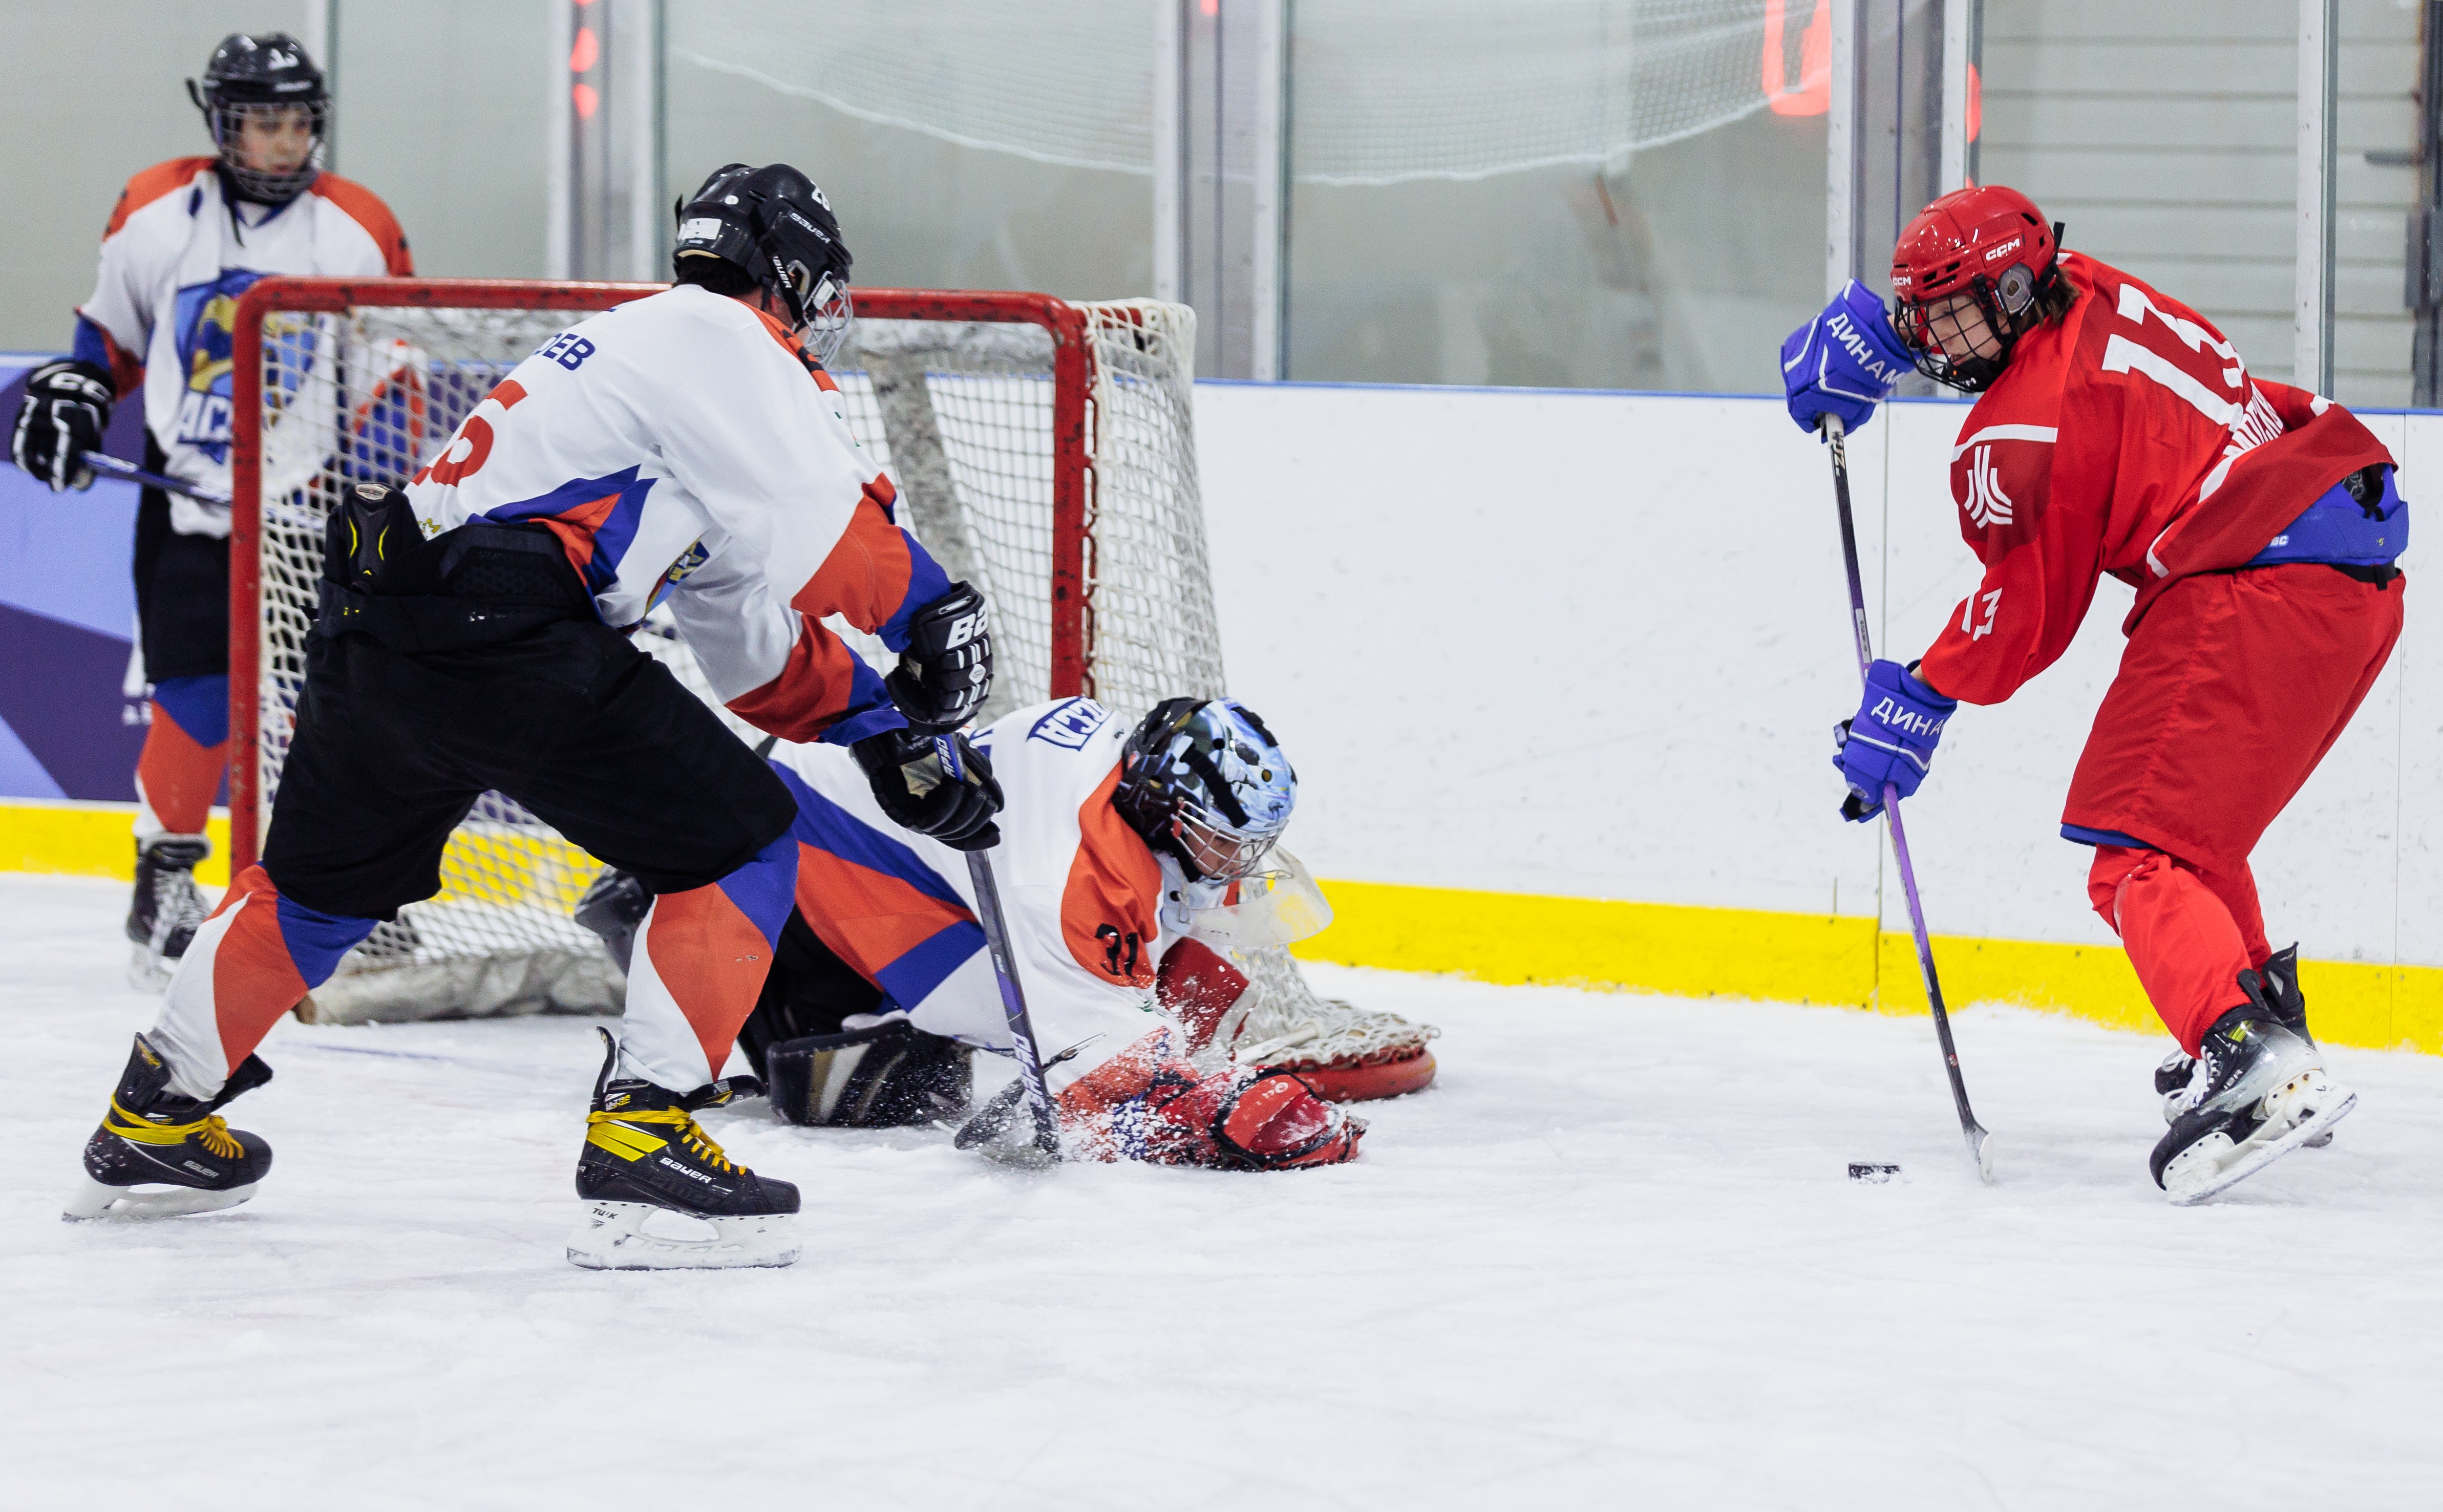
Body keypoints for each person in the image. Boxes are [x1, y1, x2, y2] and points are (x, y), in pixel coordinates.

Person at [61, 163, 1006, 1273]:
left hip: (385, 619)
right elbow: (837, 530)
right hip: (503, 628)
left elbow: (752, 646)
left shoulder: (655, 365)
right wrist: (933, 613)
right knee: (743, 840)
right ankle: (643, 1147)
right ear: (791, 273)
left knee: (316, 896)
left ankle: (149, 1118)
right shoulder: (719, 335)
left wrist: (880, 731)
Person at [1781, 185, 2402, 1205]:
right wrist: (1890, 342)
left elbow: (2029, 616)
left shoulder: (2017, 431)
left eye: (1954, 313)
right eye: (1923, 317)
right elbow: (2074, 394)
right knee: (2190, 834)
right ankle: (2268, 1024)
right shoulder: (2087, 288)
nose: (1940, 341)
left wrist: (1921, 696)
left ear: (2017, 290)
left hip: (2258, 578)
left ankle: (2246, 1060)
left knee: (2133, 855)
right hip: (2338, 558)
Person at [7, 34, 413, 985]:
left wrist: (384, 493)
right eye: (264, 121)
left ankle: (355, 891)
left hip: (312, 506)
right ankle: (167, 877)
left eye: (299, 120)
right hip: (188, 501)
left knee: (349, 707)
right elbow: (106, 340)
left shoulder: (356, 224)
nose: (284, 141)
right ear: (222, 124)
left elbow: (393, 373)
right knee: (198, 698)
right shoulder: (157, 210)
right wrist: (73, 390)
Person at [578, 694, 1368, 1170]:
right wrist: (1214, 1113)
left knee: (942, 1046)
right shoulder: (1065, 883)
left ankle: (773, 964)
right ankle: (653, 899)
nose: (1234, 863)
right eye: (1220, 841)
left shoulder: (1115, 759)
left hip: (876, 820)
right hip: (803, 822)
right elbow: (1088, 1085)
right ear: (1162, 808)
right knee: (860, 1073)